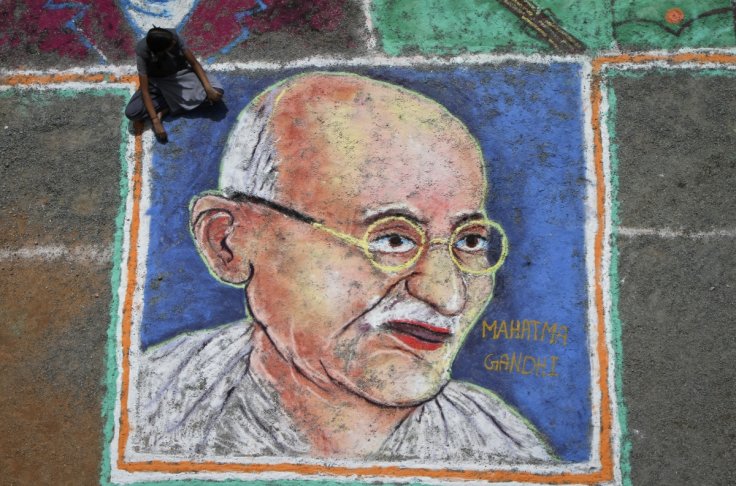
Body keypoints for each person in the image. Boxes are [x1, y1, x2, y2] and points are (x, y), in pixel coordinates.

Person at [130, 72, 555, 464]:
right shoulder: (146, 407)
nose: (448, 296)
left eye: (470, 242)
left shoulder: (506, 449)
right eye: (392, 239)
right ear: (228, 242)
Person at [124, 27, 223, 142]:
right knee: (132, 113)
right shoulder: (142, 51)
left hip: (180, 78)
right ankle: (173, 104)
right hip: (156, 83)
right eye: (171, 44)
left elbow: (194, 63)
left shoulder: (172, 36)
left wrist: (208, 87)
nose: (174, 42)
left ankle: (165, 110)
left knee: (217, 92)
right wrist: (155, 121)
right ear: (160, 50)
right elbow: (145, 90)